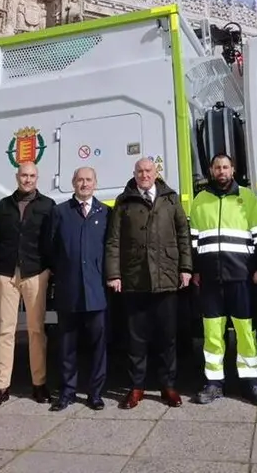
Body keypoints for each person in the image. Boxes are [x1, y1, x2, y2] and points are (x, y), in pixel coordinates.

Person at [105, 157, 193, 409]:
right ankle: (137, 387)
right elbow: (113, 241)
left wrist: (186, 268)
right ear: (134, 174)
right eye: (140, 171)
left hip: (166, 277)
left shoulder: (170, 199)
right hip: (134, 279)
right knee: (136, 338)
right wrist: (114, 274)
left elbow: (183, 235)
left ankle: (168, 386)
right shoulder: (124, 201)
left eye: (148, 171)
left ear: (156, 173)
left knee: (168, 337)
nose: (144, 175)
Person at [188, 153, 257, 406]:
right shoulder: (200, 200)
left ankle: (251, 384)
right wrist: (195, 270)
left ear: (232, 169)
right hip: (210, 278)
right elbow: (193, 240)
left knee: (246, 332)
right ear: (211, 171)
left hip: (241, 276)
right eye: (217, 167)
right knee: (212, 333)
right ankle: (214, 383)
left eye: (225, 167)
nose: (221, 171)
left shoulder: (247, 197)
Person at [0, 162, 55, 409]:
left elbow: (51, 240)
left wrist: (48, 270)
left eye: (32, 176)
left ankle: (39, 384)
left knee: (36, 330)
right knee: (5, 331)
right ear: (17, 176)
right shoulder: (5, 204)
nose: (27, 179)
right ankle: (1, 387)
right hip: (6, 274)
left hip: (35, 273)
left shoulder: (48, 205)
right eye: (24, 175)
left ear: (38, 178)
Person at [48, 166, 109, 411]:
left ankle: (95, 393)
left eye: (89, 180)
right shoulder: (60, 212)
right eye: (80, 180)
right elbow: (50, 248)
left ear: (95, 183)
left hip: (96, 290)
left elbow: (111, 249)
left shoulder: (105, 212)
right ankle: (67, 391)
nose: (84, 184)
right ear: (73, 183)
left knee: (98, 345)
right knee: (66, 345)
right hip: (68, 290)